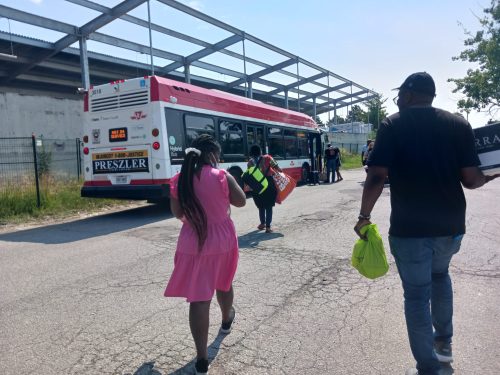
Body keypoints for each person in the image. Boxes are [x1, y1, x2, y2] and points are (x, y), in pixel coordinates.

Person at [353, 72, 500, 375]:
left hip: (410, 229)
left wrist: (364, 216)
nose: (397, 100)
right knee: (440, 276)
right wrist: (492, 174)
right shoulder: (458, 124)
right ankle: (444, 344)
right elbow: (471, 180)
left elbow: (377, 176)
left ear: (408, 94)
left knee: (417, 295)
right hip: (450, 226)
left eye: (399, 95)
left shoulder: (393, 124)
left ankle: (430, 368)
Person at [164, 134, 246, 375]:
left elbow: (177, 212)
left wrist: (195, 221)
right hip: (221, 240)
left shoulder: (180, 179)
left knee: (199, 299)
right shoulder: (222, 176)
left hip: (192, 241)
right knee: (224, 282)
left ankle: (201, 359)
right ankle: (226, 318)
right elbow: (240, 201)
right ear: (213, 155)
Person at [248, 144, 282, 233]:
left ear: (251, 153)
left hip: (257, 186)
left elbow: (250, 175)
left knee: (261, 205)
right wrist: (280, 173)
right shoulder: (268, 158)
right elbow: (277, 168)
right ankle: (268, 227)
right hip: (268, 184)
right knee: (269, 205)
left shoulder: (250, 162)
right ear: (260, 151)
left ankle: (262, 223)